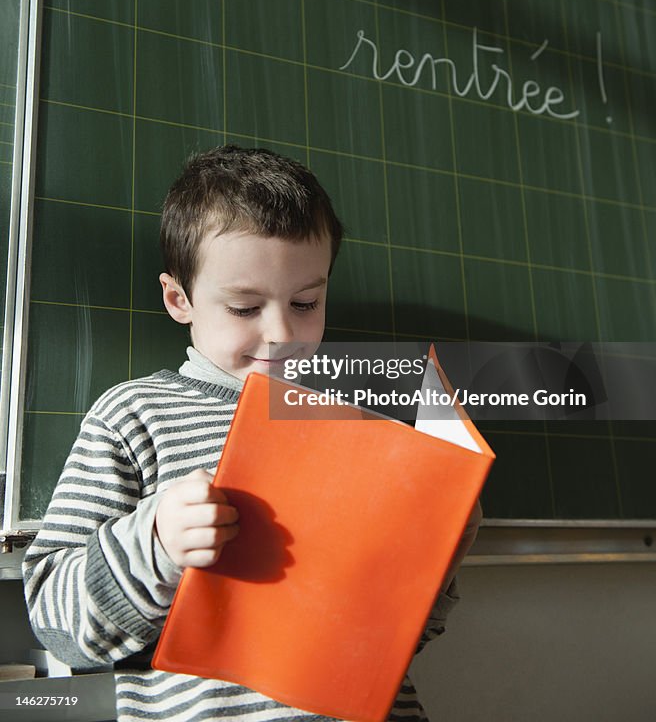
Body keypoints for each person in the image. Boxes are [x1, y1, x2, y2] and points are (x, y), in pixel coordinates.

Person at [23, 144, 480, 722]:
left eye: (306, 302)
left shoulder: (363, 429)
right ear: (179, 299)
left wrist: (437, 555)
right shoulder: (134, 414)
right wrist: (157, 542)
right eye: (244, 307)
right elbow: (57, 623)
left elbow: (394, 643)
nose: (281, 334)